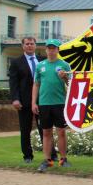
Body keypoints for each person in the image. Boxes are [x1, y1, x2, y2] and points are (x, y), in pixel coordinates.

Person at [8, 36, 53, 164]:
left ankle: (51, 154)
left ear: (35, 45)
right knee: (25, 129)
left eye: (31, 43)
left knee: (45, 128)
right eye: (27, 44)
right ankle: (27, 156)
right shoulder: (16, 62)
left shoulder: (43, 60)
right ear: (23, 46)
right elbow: (13, 83)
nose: (29, 46)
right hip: (24, 102)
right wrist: (15, 99)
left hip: (43, 100)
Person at [31, 39, 72, 172]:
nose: (51, 50)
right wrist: (33, 102)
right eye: (49, 48)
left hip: (60, 103)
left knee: (61, 131)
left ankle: (63, 159)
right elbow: (36, 84)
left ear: (58, 50)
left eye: (54, 48)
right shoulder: (40, 66)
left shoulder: (65, 65)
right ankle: (47, 160)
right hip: (44, 103)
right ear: (46, 50)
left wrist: (64, 78)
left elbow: (71, 85)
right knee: (46, 132)